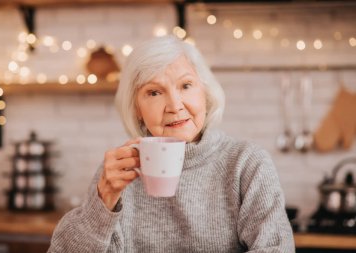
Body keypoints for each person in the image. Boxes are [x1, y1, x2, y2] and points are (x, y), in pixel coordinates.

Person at [48, 35, 295, 253]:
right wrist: (101, 203)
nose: (175, 105)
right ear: (137, 109)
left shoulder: (247, 164)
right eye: (154, 93)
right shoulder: (118, 172)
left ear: (205, 94)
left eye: (186, 86)